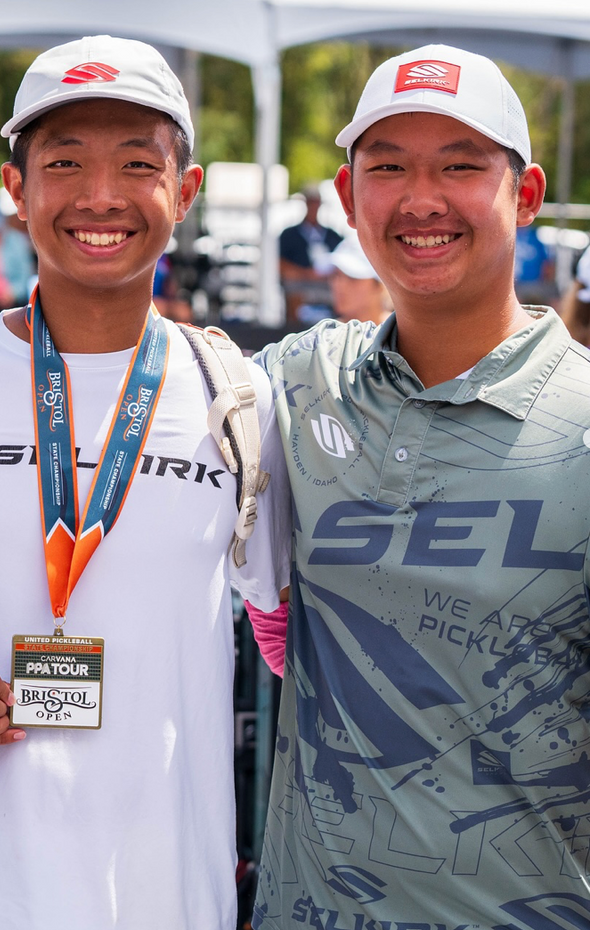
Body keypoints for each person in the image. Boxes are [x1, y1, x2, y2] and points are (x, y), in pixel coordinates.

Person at [0, 34, 289, 930]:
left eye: (136, 164)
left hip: (162, 899)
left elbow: (281, 623)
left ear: (184, 193)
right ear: (16, 189)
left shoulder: (243, 400)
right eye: (65, 161)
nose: (99, 196)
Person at [250, 44, 590, 927]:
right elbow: (128, 382)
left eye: (459, 166)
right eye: (390, 167)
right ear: (348, 194)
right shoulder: (290, 384)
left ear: (524, 193)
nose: (421, 199)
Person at [278, 183, 342, 324]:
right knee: (294, 292)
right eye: (310, 202)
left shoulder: (333, 236)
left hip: (327, 284)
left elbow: (343, 264)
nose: (314, 206)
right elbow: (280, 266)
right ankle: (294, 330)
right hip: (300, 285)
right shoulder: (289, 235)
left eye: (316, 202)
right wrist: (307, 274)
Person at [328, 232, 392, 324]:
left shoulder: (405, 334)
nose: (339, 285)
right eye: (335, 274)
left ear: (380, 285)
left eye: (352, 276)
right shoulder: (324, 335)